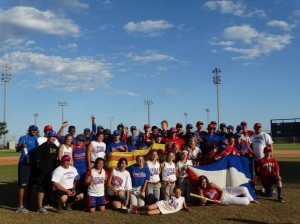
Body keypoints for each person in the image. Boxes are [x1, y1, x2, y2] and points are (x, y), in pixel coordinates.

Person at [16, 125, 39, 213]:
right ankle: (20, 206)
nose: (34, 131)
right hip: (24, 164)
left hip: (33, 164)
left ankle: (28, 203)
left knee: (30, 185)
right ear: (29, 130)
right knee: (23, 185)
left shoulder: (37, 138)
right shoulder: (24, 137)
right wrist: (21, 146)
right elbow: (17, 149)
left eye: (35, 130)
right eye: (32, 130)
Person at [36, 130, 59, 213]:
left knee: (49, 188)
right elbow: (38, 159)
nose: (53, 138)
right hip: (43, 170)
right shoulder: (43, 146)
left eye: (54, 137)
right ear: (48, 137)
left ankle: (46, 204)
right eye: (51, 137)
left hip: (52, 170)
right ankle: (39, 206)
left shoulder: (55, 146)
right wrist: (40, 169)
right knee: (41, 188)